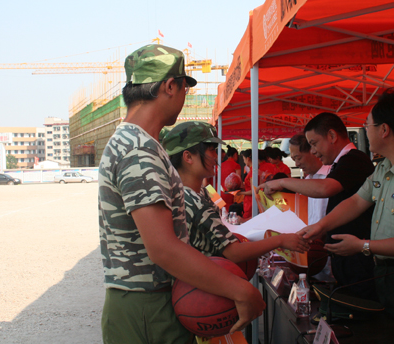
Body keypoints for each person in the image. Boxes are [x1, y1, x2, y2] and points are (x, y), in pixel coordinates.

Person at [98, 44, 265, 344]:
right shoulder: (139, 151)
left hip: (148, 304)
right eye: (185, 88)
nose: (185, 96)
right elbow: (163, 248)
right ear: (170, 86)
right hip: (147, 307)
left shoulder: (139, 143)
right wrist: (240, 289)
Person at [299, 90, 394, 337]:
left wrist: (362, 246)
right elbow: (358, 201)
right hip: (384, 272)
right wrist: (320, 227)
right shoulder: (386, 165)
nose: (365, 130)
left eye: (367, 125)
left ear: (384, 130)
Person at [260, 113, 376, 300]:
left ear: (332, 136)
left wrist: (283, 183)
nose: (313, 151)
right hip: (344, 259)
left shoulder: (354, 159)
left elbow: (325, 189)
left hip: (358, 259)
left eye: (314, 143)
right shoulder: (341, 164)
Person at [162, 121, 309, 260]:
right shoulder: (192, 198)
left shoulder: (196, 192)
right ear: (188, 157)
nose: (217, 157)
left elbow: (218, 209)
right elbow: (234, 252)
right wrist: (280, 240)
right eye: (212, 150)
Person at [288, 134, 329, 225]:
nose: (296, 164)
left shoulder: (331, 176)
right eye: (294, 160)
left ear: (313, 151)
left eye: (298, 158)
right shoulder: (307, 181)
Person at [237, 149, 276, 219]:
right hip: (272, 197)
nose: (244, 161)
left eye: (244, 159)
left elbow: (254, 190)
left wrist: (241, 193)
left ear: (248, 159)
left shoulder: (255, 170)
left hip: (252, 201)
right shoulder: (271, 166)